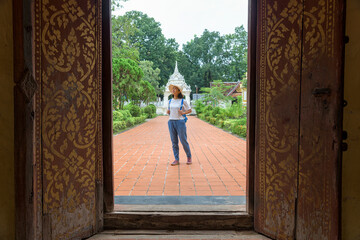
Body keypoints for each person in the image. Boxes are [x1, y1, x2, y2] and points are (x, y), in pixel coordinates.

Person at [166, 84, 192, 166]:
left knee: (183, 140)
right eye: (173, 89)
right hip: (171, 122)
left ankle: (189, 156)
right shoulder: (170, 101)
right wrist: (168, 112)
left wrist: (183, 113)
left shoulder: (182, 101)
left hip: (180, 122)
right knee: (174, 142)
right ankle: (176, 159)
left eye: (175, 89)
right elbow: (169, 111)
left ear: (178, 91)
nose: (173, 90)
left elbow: (190, 110)